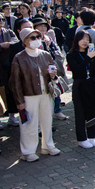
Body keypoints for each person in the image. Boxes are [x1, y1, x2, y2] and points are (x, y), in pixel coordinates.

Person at [9, 28, 61, 162]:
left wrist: (53, 76)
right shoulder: (19, 57)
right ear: (24, 40)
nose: (37, 39)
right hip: (29, 94)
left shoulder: (45, 54)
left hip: (46, 93)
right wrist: (19, 100)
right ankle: (28, 151)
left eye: (38, 36)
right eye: (32, 37)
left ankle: (48, 145)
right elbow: (15, 81)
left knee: (47, 120)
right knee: (29, 124)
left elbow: (54, 75)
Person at [67, 30, 95, 149]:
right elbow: (77, 70)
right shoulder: (71, 55)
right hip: (80, 85)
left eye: (87, 39)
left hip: (92, 84)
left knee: (93, 111)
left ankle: (92, 136)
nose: (85, 41)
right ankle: (81, 138)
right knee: (80, 112)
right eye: (82, 39)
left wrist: (93, 58)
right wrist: (88, 58)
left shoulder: (91, 53)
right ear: (76, 40)